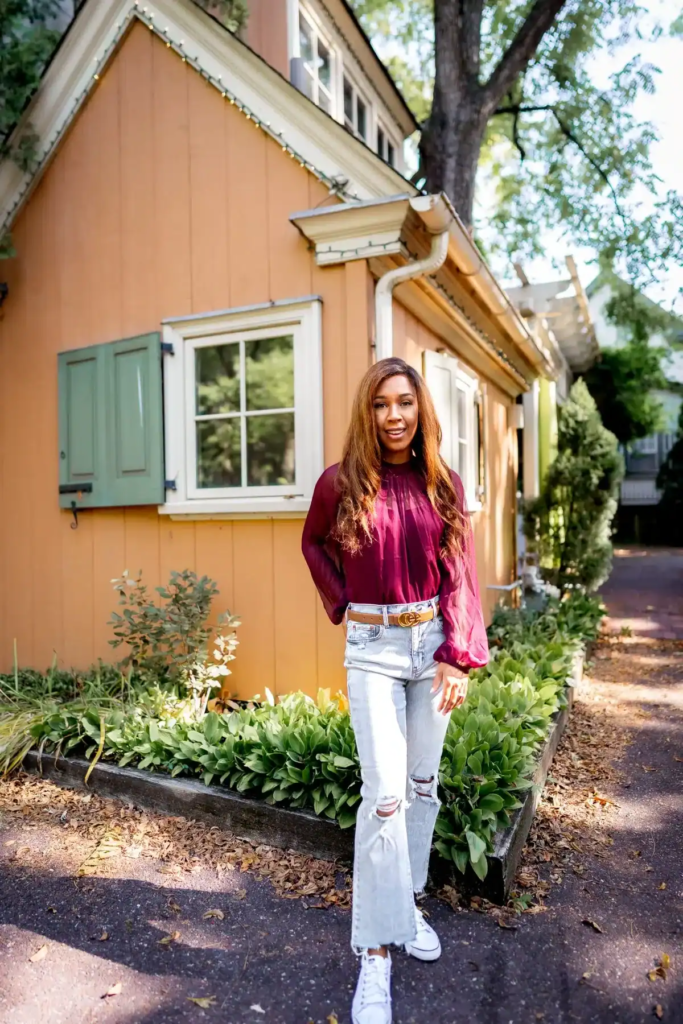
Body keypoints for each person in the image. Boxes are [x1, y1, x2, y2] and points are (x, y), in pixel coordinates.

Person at [301, 356, 489, 1024]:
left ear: (420, 409)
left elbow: (460, 571)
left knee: (418, 789)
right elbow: (313, 544)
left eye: (404, 402)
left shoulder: (443, 483)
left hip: (432, 646)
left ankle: (404, 907)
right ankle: (375, 954)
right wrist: (349, 601)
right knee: (383, 799)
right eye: (381, 404)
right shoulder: (339, 482)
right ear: (367, 412)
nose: (393, 416)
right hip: (374, 652)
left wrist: (458, 655)